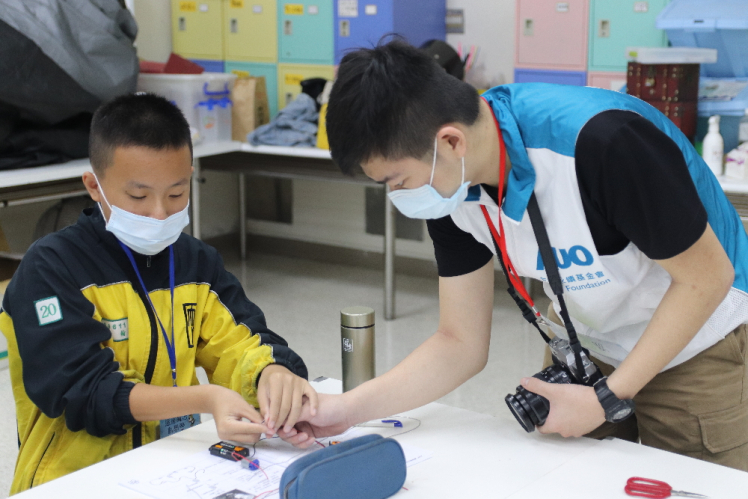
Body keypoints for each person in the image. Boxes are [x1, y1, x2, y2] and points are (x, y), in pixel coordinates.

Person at [278, 41, 748, 470]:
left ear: (450, 141)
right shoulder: (451, 185)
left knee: (693, 483)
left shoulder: (601, 142)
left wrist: (608, 397)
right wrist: (345, 409)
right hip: (587, 340)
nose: (398, 196)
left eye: (397, 181)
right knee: (572, 478)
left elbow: (706, 278)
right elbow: (459, 342)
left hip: (695, 338)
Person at [0, 94, 317, 493]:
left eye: (176, 194)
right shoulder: (51, 268)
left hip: (170, 471)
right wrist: (205, 398)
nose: (160, 214)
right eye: (138, 197)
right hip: (74, 481)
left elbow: (242, 344)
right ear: (94, 186)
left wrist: (272, 373)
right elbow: (83, 392)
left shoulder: (196, 264)